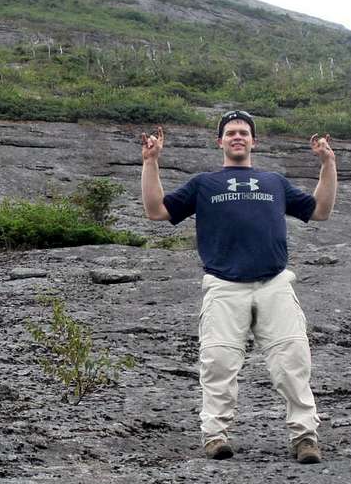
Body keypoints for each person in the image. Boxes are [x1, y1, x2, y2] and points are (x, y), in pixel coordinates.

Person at [139, 111, 338, 464]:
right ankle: (215, 436)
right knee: (218, 362)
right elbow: (156, 210)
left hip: (274, 283)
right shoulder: (204, 184)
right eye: (230, 132)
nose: (237, 137)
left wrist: (327, 163)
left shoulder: (274, 181)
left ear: (253, 141)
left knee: (292, 360)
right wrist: (151, 162)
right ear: (220, 141)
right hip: (224, 286)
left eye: (243, 133)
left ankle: (305, 437)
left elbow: (321, 210)